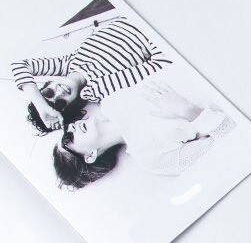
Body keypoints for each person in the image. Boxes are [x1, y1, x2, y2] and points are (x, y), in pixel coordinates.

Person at [52, 80, 235, 189]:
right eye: (68, 138)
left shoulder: (111, 101)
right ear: (90, 156)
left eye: (66, 129)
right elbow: (233, 142)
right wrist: (188, 110)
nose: (71, 128)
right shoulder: (150, 159)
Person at [11, 16, 172, 135]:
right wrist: (151, 31)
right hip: (159, 29)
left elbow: (18, 65)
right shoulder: (100, 90)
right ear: (73, 107)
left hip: (130, 12)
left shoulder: (65, 63)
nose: (59, 93)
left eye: (48, 93)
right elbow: (161, 63)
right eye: (60, 103)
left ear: (48, 83)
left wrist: (42, 106)